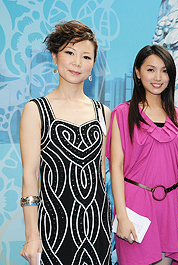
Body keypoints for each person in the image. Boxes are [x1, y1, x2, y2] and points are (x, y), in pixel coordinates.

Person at [19, 20, 112, 265]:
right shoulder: (36, 110)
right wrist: (31, 235)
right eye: (69, 53)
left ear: (93, 65)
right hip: (53, 227)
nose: (77, 63)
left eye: (86, 57)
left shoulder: (104, 112)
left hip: (96, 226)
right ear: (54, 57)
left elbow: (101, 174)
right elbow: (29, 176)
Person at [107, 45, 178, 265]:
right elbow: (117, 169)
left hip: (171, 207)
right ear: (137, 72)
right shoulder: (122, 113)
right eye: (151, 70)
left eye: (164, 70)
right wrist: (121, 216)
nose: (158, 77)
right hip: (135, 207)